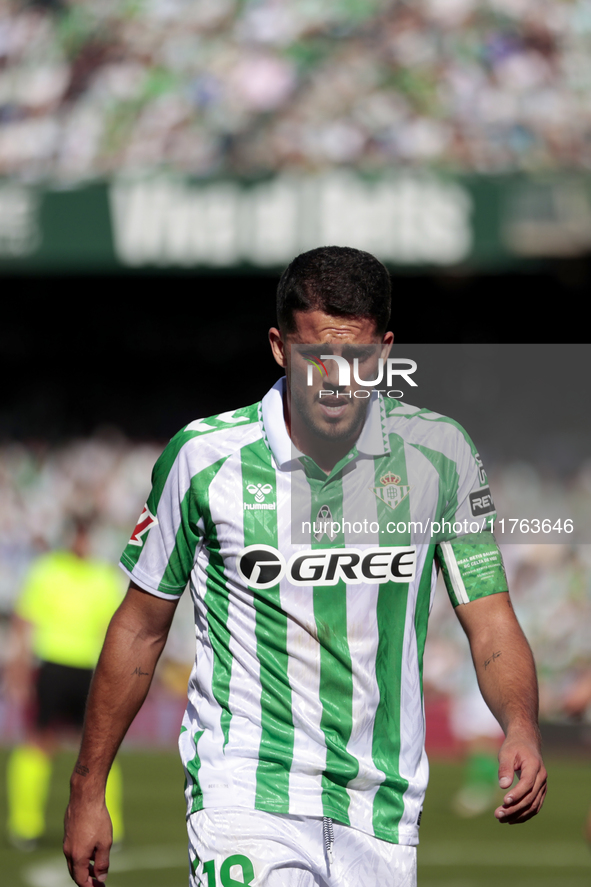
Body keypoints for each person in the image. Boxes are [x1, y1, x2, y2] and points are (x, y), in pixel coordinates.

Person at [63, 246, 546, 887]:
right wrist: (88, 786)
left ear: (386, 350)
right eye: (318, 355)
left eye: (359, 357)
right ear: (278, 347)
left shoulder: (441, 455)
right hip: (244, 789)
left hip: (383, 803)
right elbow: (140, 628)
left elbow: (489, 621)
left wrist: (521, 726)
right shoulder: (204, 459)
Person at [5, 517, 125, 851]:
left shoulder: (104, 577)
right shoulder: (47, 570)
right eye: (82, 537)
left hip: (90, 671)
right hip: (52, 668)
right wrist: (18, 669)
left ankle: (112, 824)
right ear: (71, 538)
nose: (86, 544)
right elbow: (24, 620)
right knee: (39, 742)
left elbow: (114, 630)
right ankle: (24, 825)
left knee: (100, 750)